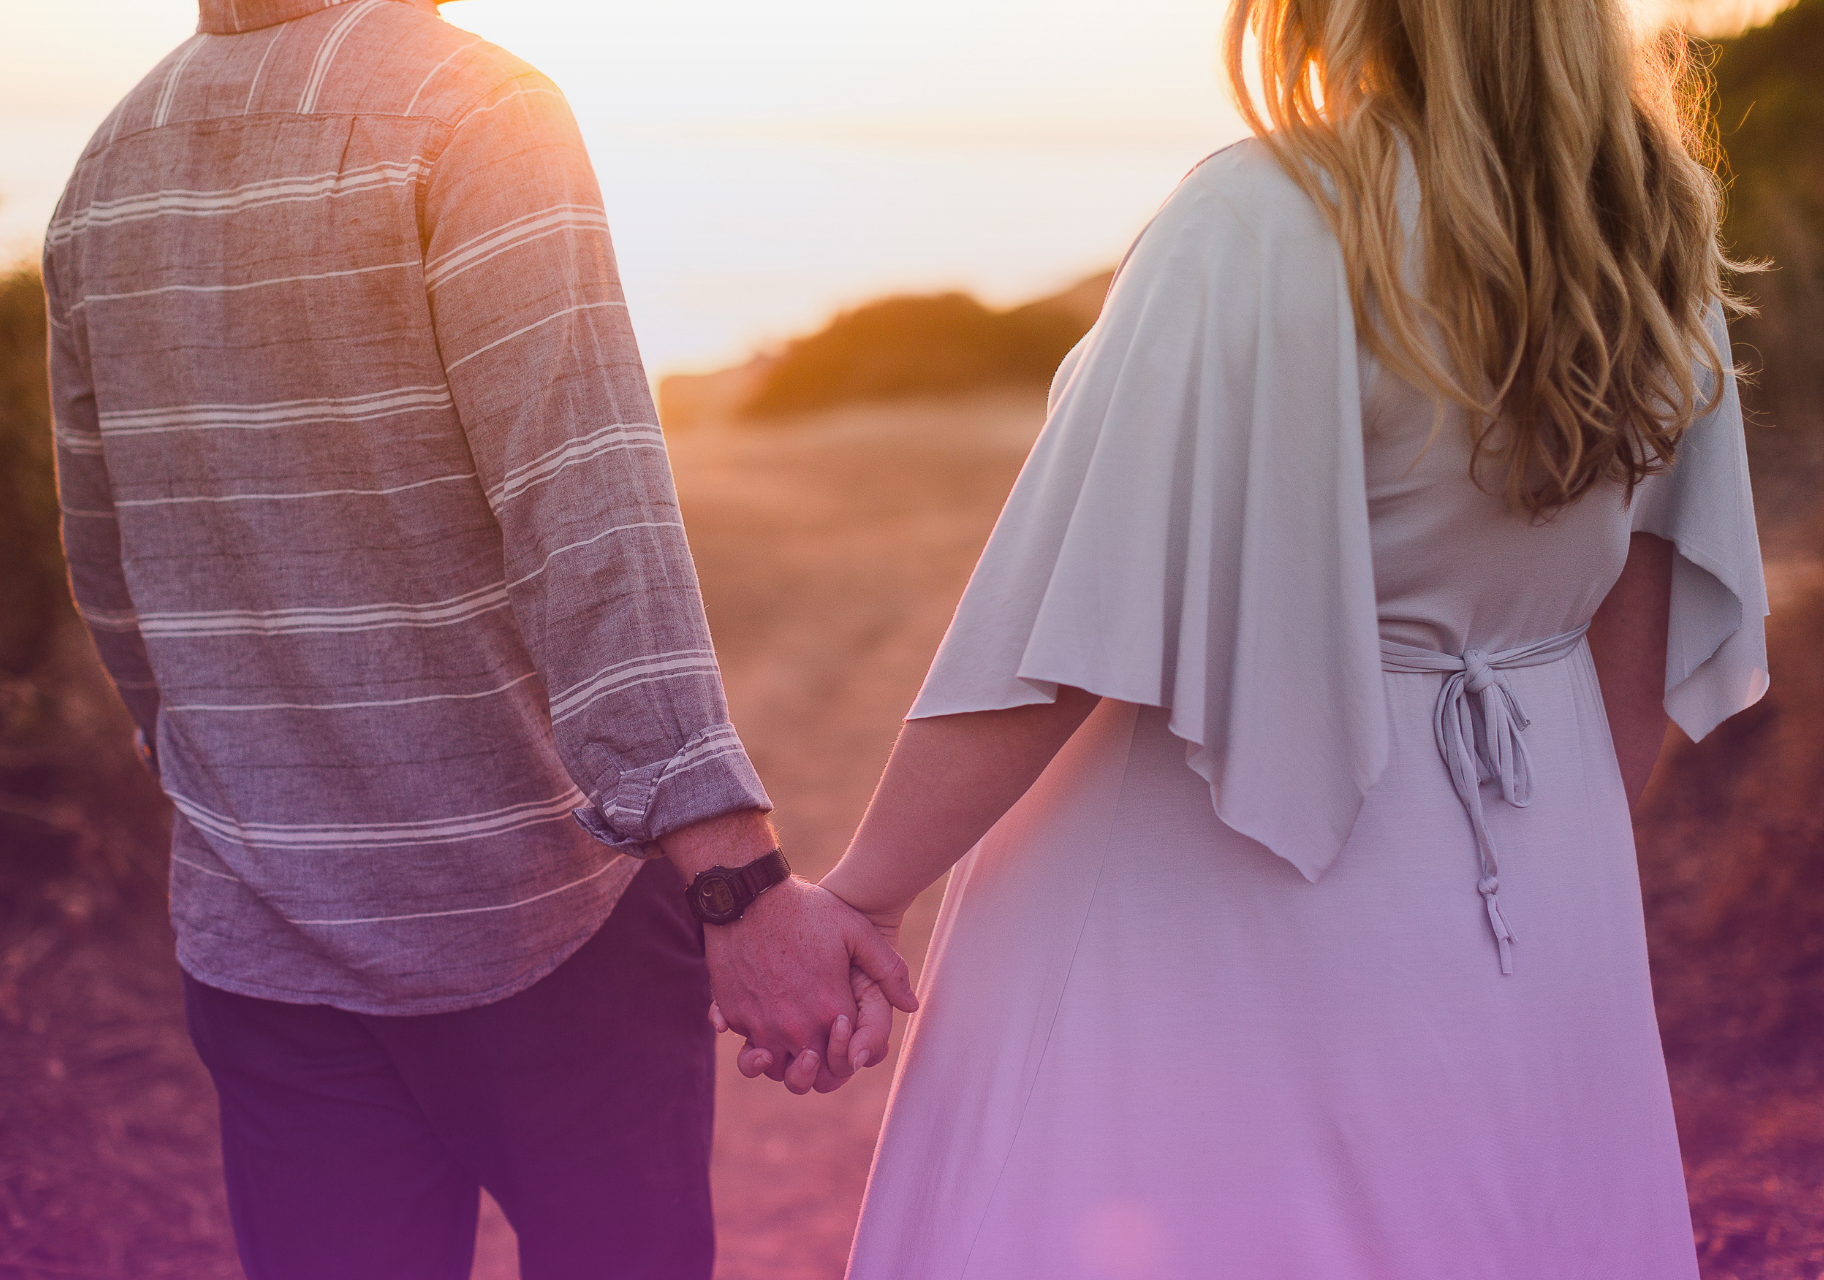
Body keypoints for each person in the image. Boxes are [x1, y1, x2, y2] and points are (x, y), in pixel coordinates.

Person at [745, 0, 1770, 1275]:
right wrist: (1535, 877)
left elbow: (1061, 628)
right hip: (1536, 872)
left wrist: (862, 890)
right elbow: (1636, 631)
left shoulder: (1264, 218)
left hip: (1229, 914)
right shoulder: (1655, 230)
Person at [43, 2, 912, 1277]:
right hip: (538, 927)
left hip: (263, 935)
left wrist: (231, 774)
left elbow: (107, 566)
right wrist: (734, 880)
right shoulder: (474, 110)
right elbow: (588, 513)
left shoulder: (100, 178)